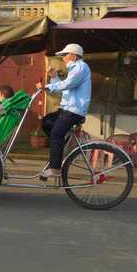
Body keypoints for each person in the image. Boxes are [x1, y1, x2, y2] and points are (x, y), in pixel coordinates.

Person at [36, 43, 92, 178]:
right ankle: (58, 151)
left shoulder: (80, 67)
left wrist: (47, 87)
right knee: (47, 121)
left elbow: (68, 84)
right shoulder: (74, 69)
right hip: (67, 109)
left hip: (74, 110)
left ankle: (55, 167)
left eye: (64, 55)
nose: (63, 58)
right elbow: (66, 88)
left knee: (56, 133)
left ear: (73, 55)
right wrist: (54, 77)